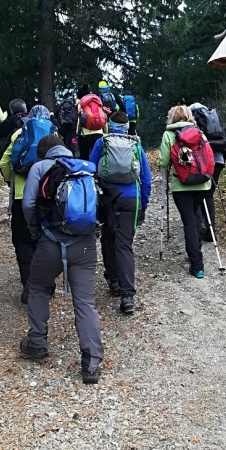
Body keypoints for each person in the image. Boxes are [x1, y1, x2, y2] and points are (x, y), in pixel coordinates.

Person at [21, 134, 104, 384]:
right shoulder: (84, 168)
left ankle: (37, 342)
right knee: (85, 301)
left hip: (50, 242)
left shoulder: (39, 167)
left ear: (43, 152)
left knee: (38, 286)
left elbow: (27, 205)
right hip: (85, 244)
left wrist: (36, 231)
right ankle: (91, 362)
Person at [89, 111, 152, 313]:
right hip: (130, 199)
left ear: (109, 124)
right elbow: (146, 179)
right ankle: (127, 297)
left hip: (108, 199)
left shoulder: (102, 142)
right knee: (124, 246)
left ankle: (114, 281)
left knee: (107, 239)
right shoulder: (136, 144)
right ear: (127, 127)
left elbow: (91, 170)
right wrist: (142, 204)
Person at [0, 105, 52, 303]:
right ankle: (45, 283)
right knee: (45, 239)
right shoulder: (54, 135)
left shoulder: (19, 134)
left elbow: (4, 163)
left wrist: (9, 181)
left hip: (21, 197)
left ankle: (29, 281)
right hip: (47, 196)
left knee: (22, 240)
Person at [159, 105, 212, 279]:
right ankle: (196, 252)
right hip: (202, 183)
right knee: (195, 217)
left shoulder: (169, 135)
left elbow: (164, 163)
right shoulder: (199, 132)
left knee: (189, 220)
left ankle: (197, 264)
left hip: (182, 185)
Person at [190, 102, 226, 242]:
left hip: (203, 162)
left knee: (198, 193)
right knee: (208, 194)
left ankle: (201, 225)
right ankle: (211, 231)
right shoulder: (214, 118)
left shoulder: (193, 119)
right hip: (218, 161)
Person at [76, 84, 107, 160]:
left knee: (84, 157)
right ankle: (96, 171)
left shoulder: (80, 103)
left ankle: (86, 171)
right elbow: (102, 116)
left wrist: (77, 133)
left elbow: (78, 120)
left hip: (85, 134)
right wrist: (105, 133)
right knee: (97, 157)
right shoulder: (97, 101)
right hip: (99, 133)